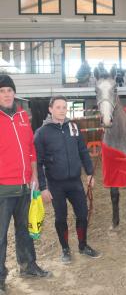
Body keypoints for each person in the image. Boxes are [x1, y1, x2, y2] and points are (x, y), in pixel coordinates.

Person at [0, 74, 51, 294]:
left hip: (24, 186)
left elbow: (31, 147)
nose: (6, 94)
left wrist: (34, 175)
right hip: (2, 189)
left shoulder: (22, 116)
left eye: (9, 90)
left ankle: (28, 265)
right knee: (0, 236)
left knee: (25, 229)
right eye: (2, 91)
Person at [34, 96, 100, 264]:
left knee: (83, 214)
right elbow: (38, 162)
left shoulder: (74, 127)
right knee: (60, 217)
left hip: (74, 181)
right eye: (58, 107)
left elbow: (83, 151)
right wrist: (43, 187)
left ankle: (83, 245)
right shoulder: (42, 133)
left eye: (64, 107)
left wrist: (90, 173)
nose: (62, 110)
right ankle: (65, 249)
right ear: (50, 109)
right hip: (55, 184)